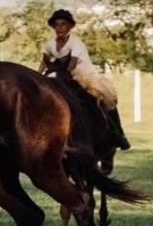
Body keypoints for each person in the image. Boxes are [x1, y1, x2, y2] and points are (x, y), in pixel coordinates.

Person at [38, 9, 130, 150]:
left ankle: (118, 133)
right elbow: (44, 61)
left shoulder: (76, 42)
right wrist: (38, 76)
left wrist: (60, 71)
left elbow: (72, 63)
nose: (59, 28)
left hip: (83, 74)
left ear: (70, 27)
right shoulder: (50, 44)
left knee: (105, 98)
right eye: (56, 25)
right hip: (62, 74)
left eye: (63, 24)